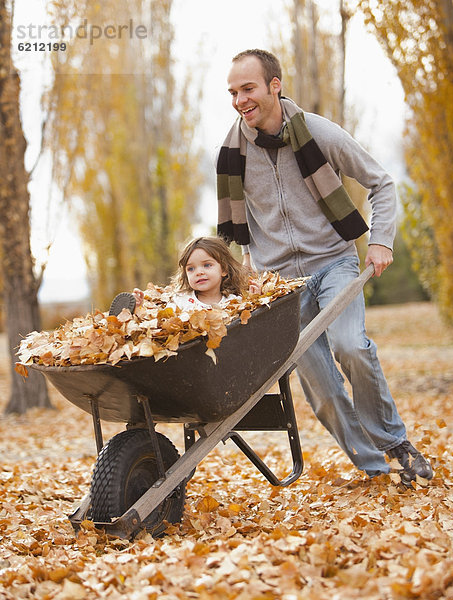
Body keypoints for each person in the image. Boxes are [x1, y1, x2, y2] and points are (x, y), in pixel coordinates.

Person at [217, 48, 432, 485]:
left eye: (249, 89)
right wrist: (248, 273)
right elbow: (239, 230)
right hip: (282, 285)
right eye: (233, 92)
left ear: (275, 86)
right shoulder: (231, 153)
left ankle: (395, 444)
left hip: (334, 263)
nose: (240, 100)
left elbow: (382, 183)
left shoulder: (317, 133)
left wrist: (380, 242)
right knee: (323, 387)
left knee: (351, 346)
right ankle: (375, 468)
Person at [131, 236, 261, 312]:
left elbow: (247, 324)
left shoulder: (233, 302)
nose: (199, 272)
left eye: (207, 265)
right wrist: (140, 308)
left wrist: (255, 300)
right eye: (191, 269)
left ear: (224, 269)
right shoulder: (181, 302)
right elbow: (161, 322)